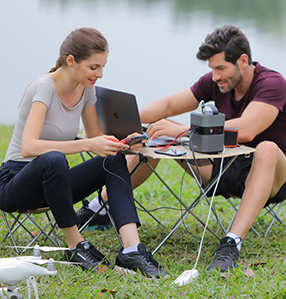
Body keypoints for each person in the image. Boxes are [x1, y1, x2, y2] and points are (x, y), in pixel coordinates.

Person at [83, 24, 286, 272]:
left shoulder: (272, 84)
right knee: (157, 132)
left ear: (243, 60)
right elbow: (167, 106)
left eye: (220, 68)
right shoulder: (216, 83)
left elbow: (248, 129)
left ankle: (232, 242)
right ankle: (98, 208)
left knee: (267, 148)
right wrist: (130, 120)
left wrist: (184, 130)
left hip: (275, 175)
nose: (215, 76)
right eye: (212, 69)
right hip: (225, 167)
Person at [0, 27, 169, 278]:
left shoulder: (85, 88)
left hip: (54, 184)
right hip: (16, 184)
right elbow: (29, 146)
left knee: (112, 159)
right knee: (53, 158)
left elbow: (93, 136)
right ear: (71, 61)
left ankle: (132, 249)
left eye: (103, 67)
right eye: (93, 67)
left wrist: (120, 143)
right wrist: (88, 145)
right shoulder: (44, 87)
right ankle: (75, 245)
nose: (99, 74)